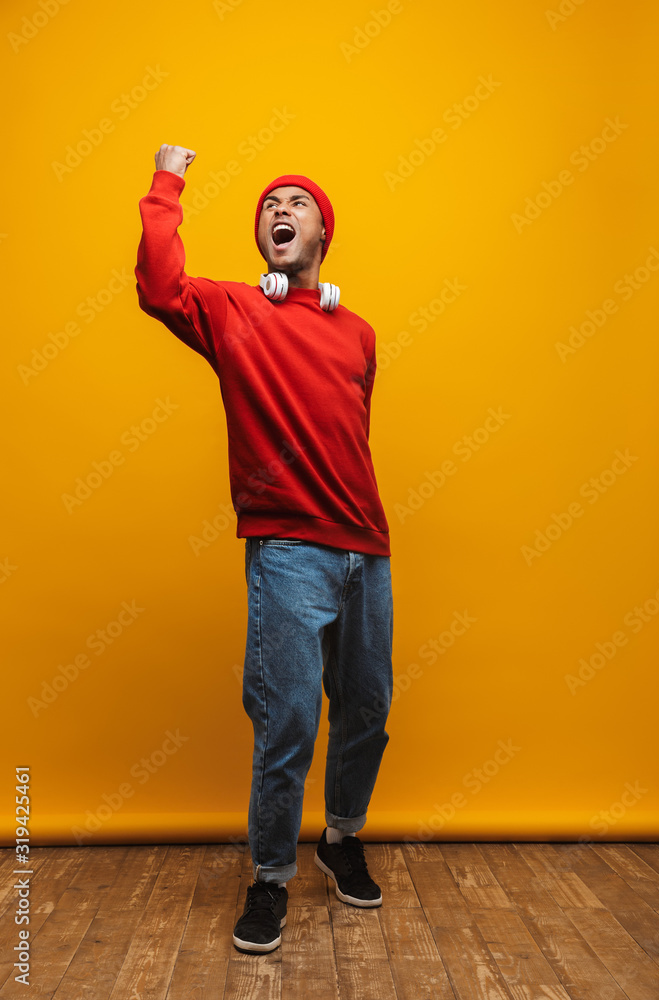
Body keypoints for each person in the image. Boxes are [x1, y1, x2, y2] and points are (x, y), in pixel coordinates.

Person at [135, 144, 394, 954]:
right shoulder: (233, 312)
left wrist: (312, 311)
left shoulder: (357, 333)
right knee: (285, 720)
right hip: (288, 550)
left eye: (295, 202)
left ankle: (342, 837)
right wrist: (166, 182)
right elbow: (157, 285)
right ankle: (270, 881)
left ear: (324, 231)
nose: (277, 211)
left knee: (367, 707)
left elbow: (348, 431)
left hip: (366, 549)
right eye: (266, 206)